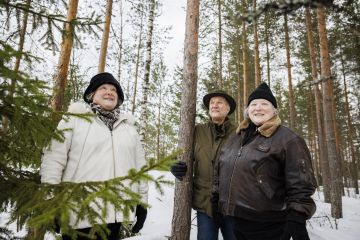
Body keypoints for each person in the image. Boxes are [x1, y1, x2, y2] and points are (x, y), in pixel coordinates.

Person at [40, 72, 148, 240]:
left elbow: (140, 168)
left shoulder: (129, 128)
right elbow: (53, 159)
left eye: (114, 89)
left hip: (114, 216)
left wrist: (142, 202)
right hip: (79, 214)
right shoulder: (74, 119)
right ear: (91, 95)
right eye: (103, 88)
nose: (109, 92)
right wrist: (51, 200)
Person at [216, 82, 317, 240]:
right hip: (236, 220)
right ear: (247, 110)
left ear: (274, 110)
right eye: (253, 104)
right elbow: (221, 169)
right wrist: (216, 198)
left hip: (269, 224)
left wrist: (297, 217)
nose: (258, 108)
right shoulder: (235, 138)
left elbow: (301, 184)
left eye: (265, 104)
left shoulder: (288, 139)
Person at [171, 90, 237, 240]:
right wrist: (174, 165)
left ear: (228, 109)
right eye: (212, 103)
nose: (214, 105)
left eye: (219, 102)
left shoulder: (239, 133)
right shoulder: (197, 131)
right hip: (204, 203)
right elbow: (180, 154)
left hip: (232, 205)